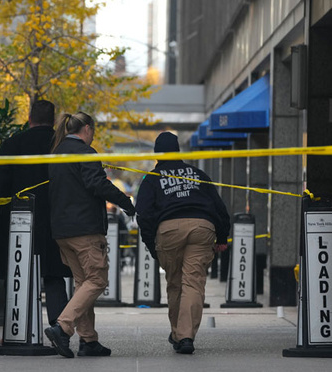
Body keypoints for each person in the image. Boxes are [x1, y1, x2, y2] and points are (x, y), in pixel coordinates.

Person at [44, 112, 135, 358]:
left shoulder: (57, 152)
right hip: (84, 229)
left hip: (62, 230)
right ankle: (63, 328)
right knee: (97, 280)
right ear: (86, 128)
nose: (92, 136)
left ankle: (89, 340)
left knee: (82, 283)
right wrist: (124, 201)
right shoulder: (85, 153)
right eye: (92, 132)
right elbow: (97, 183)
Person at [135, 132, 230, 355]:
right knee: (193, 283)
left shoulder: (152, 178)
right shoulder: (198, 174)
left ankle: (179, 332)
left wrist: (152, 245)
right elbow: (219, 208)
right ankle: (184, 336)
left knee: (176, 283)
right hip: (202, 227)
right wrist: (223, 238)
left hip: (169, 230)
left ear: (156, 154)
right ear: (178, 151)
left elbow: (144, 214)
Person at [0, 99, 72, 328]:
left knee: (17, 273)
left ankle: (17, 327)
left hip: (17, 221)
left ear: (29, 118)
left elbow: (0, 185)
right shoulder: (61, 146)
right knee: (53, 276)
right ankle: (58, 329)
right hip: (53, 221)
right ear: (53, 120)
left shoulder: (13, 144)